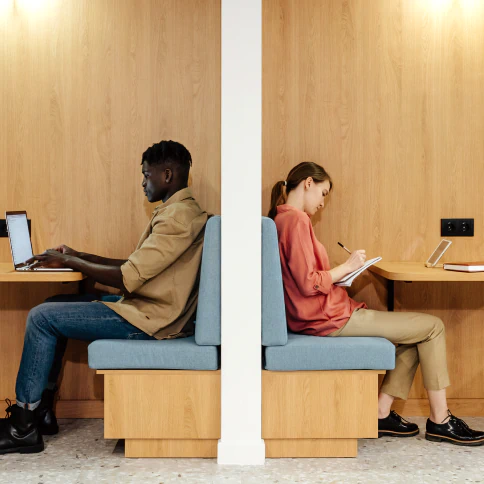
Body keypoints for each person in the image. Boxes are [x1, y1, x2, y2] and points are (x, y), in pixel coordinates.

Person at [0, 140, 209, 455]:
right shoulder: (177, 211)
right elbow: (133, 266)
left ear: (167, 174)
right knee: (51, 306)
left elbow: (127, 278)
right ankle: (41, 412)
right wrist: (77, 254)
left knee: (41, 318)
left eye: (146, 175)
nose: (143, 182)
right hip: (147, 309)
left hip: (150, 319)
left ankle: (23, 426)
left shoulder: (177, 218)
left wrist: (72, 263)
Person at [268, 161, 484, 446]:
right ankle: (440, 421)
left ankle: (381, 413)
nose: (323, 203)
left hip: (319, 314)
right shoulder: (295, 220)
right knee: (433, 327)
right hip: (327, 318)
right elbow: (309, 282)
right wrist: (347, 267)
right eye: (323, 193)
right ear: (308, 183)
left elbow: (303, 279)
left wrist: (341, 276)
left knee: (413, 336)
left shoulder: (281, 218)